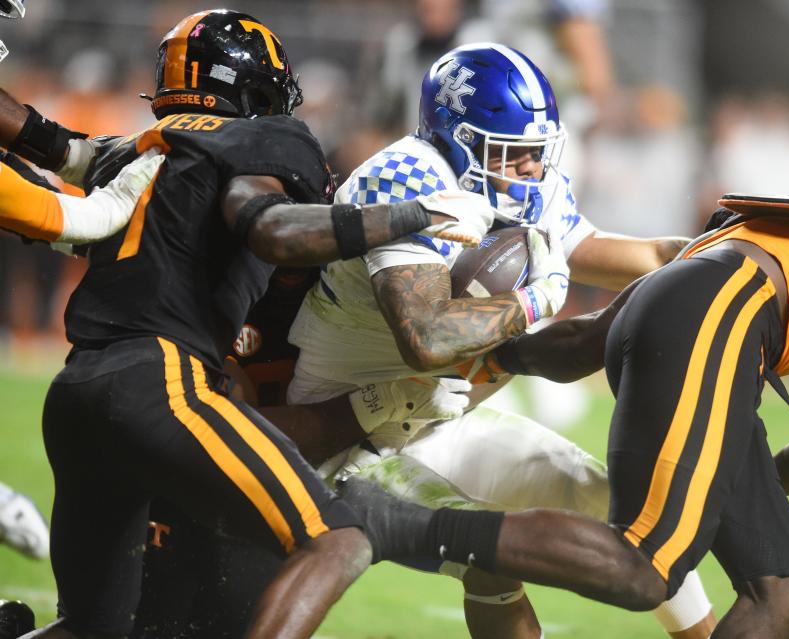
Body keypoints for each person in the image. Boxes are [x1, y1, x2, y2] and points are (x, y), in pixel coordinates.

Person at [0, 9, 494, 639]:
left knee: (93, 628)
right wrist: (411, 214)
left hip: (74, 396)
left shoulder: (141, 154)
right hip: (160, 384)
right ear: (256, 89)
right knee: (336, 542)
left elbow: (40, 137)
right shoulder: (265, 141)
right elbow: (271, 228)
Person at [340, 184, 789, 639]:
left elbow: (585, 341)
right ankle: (398, 523)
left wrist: (492, 360)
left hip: (692, 295)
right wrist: (716, 476)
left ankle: (406, 521)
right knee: (646, 565)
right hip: (725, 321)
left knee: (783, 586)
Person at [287, 43, 714, 639]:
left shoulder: (521, 177)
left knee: (613, 504)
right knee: (489, 550)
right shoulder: (404, 179)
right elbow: (428, 336)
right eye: (513, 155)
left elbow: (610, 252)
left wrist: (707, 258)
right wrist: (540, 298)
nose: (531, 170)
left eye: (538, 154)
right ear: (457, 140)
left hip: (440, 416)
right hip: (350, 432)